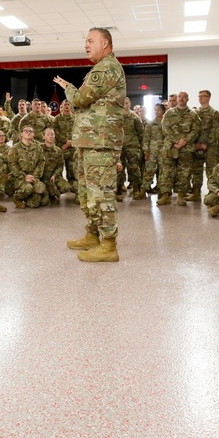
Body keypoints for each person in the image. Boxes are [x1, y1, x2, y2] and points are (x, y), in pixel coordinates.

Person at [53, 27, 126, 262]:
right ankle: (93, 235)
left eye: (90, 41)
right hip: (91, 142)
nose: (86, 45)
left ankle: (109, 245)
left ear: (105, 43)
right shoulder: (101, 67)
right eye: (85, 41)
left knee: (101, 194)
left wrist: (68, 87)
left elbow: (79, 99)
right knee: (87, 193)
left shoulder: (106, 67)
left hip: (101, 143)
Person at [158, 91, 199, 206]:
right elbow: (165, 128)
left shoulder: (193, 115)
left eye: (184, 97)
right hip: (170, 147)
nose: (181, 99)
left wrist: (184, 141)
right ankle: (165, 195)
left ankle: (181, 195)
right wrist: (177, 140)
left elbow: (195, 130)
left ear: (187, 99)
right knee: (167, 172)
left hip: (186, 148)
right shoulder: (169, 113)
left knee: (184, 173)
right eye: (180, 97)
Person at [8, 125, 47, 209]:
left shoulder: (38, 148)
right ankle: (17, 198)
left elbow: (41, 162)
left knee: (41, 191)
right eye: (26, 131)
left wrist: (34, 176)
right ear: (21, 134)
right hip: (19, 178)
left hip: (33, 176)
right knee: (28, 188)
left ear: (34, 134)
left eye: (31, 131)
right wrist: (24, 176)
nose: (28, 133)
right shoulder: (15, 148)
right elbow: (12, 165)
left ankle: (28, 198)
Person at [191, 90, 219, 202]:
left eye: (203, 96)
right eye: (199, 96)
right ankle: (196, 193)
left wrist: (206, 144)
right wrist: (196, 144)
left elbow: (216, 131)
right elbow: (192, 129)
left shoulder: (214, 113)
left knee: (211, 171)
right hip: (196, 145)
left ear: (209, 97)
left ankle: (212, 194)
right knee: (196, 169)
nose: (200, 98)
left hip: (210, 147)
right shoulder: (194, 113)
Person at [117, 98, 144, 200]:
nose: (125, 105)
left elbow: (140, 133)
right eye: (123, 103)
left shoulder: (135, 117)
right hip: (119, 146)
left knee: (134, 167)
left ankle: (137, 188)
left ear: (130, 104)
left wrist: (142, 147)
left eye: (127, 103)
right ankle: (119, 187)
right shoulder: (117, 116)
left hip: (132, 146)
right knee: (119, 168)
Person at [41, 127, 74, 204]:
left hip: (53, 177)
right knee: (43, 202)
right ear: (43, 137)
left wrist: (55, 175)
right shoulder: (39, 149)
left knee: (67, 187)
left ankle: (52, 192)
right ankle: (48, 192)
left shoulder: (58, 150)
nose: (50, 136)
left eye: (52, 134)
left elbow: (60, 166)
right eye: (48, 134)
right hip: (42, 177)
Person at [143, 102, 165, 194]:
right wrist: (146, 151)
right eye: (155, 110)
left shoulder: (167, 123)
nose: (157, 112)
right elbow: (146, 138)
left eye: (159, 110)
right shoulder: (151, 123)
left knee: (163, 170)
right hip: (152, 150)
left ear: (163, 111)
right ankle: (145, 188)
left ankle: (161, 188)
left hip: (164, 150)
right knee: (149, 169)